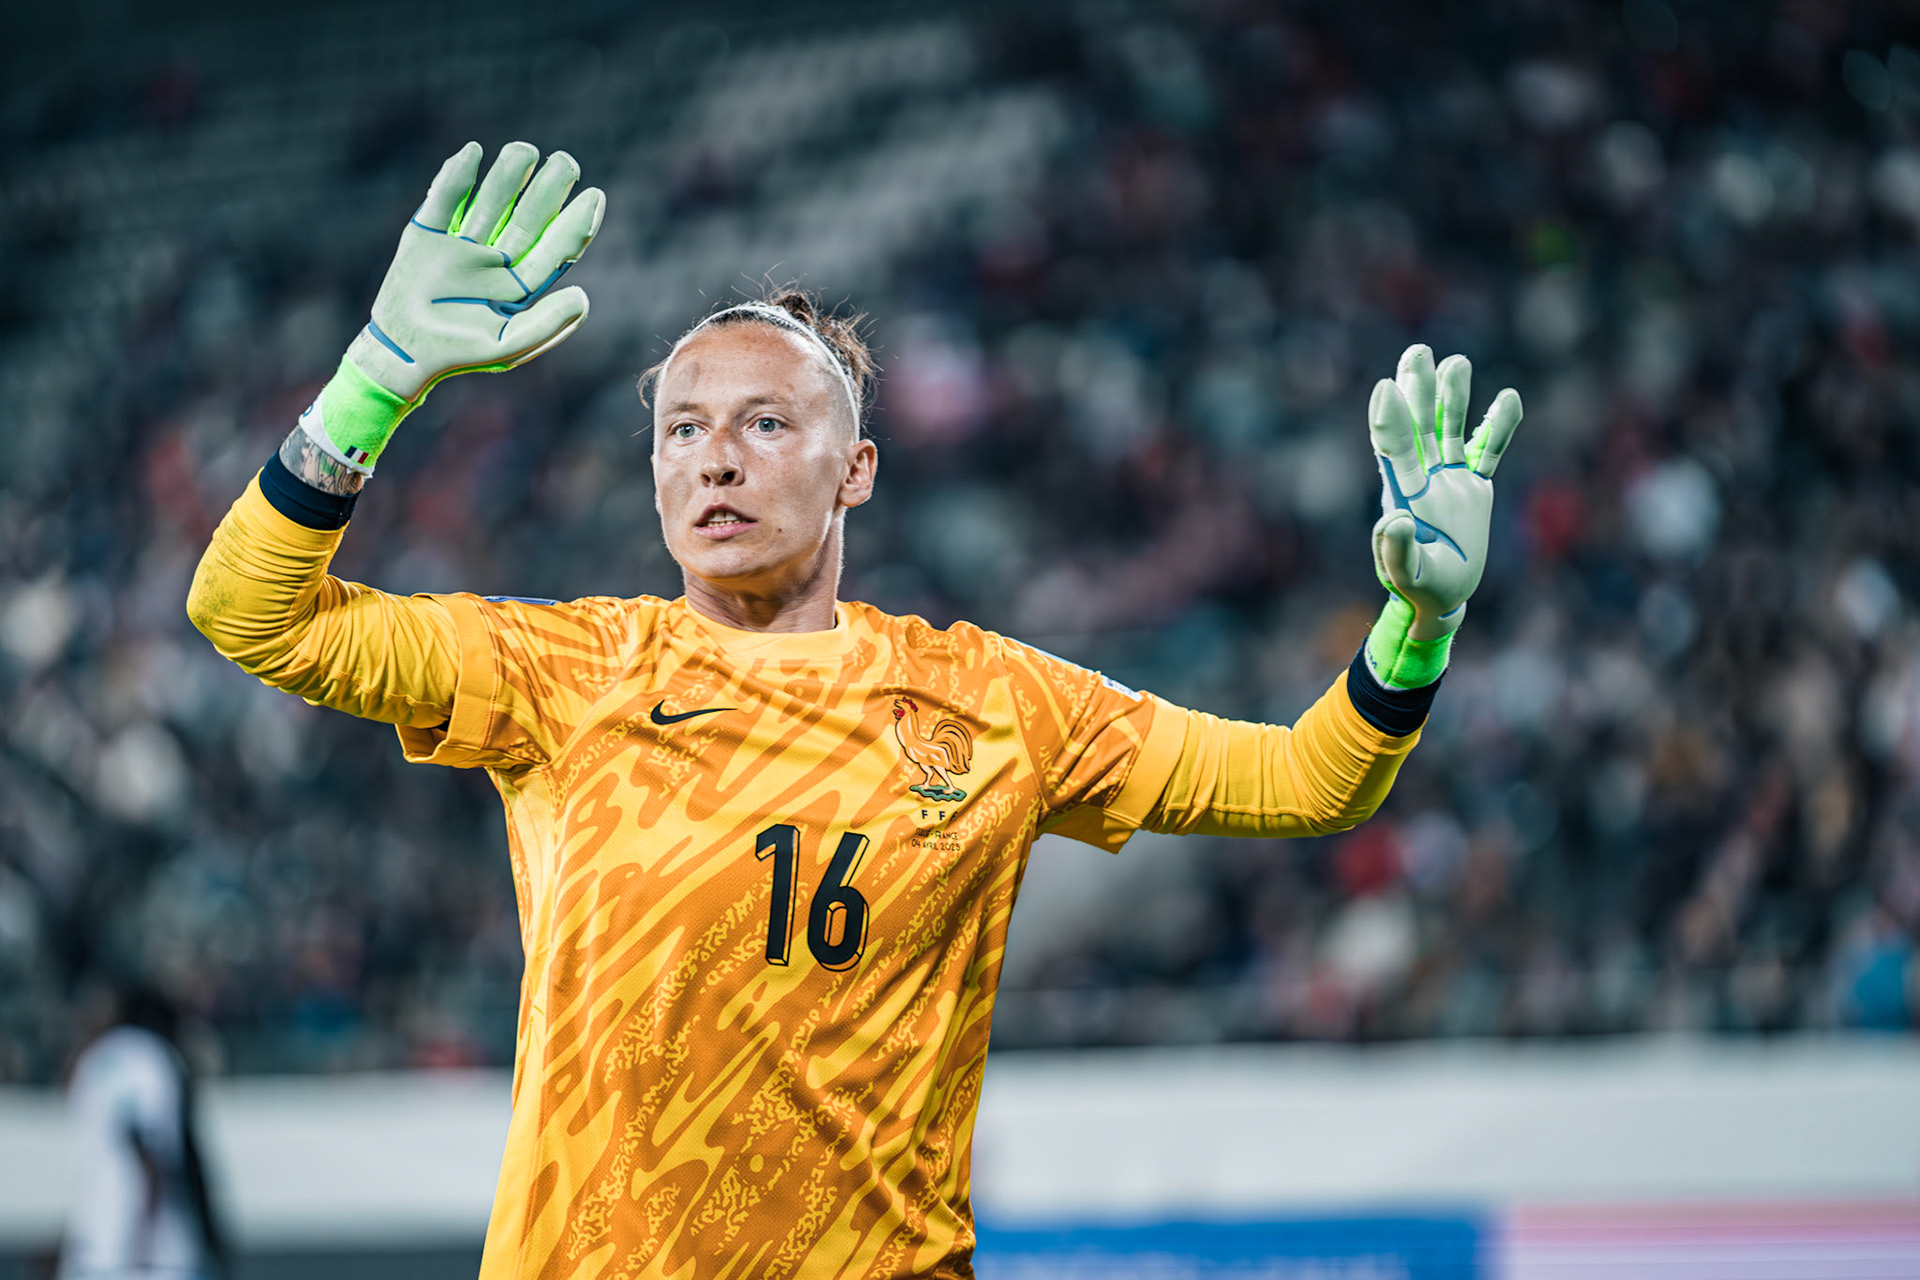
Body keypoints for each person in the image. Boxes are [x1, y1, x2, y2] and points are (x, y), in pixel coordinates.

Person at [187, 143, 1520, 1279]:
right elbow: (249, 610)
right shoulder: (563, 672)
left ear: (858, 470)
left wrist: (1418, 625)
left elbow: (1304, 779)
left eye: (767, 423)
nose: (714, 452)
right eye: (683, 428)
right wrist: (373, 378)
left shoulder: (994, 703)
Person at [59, 984, 226, 1280]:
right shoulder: (133, 1056)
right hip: (141, 1255)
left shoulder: (130, 1055)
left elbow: (144, 1149)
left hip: (134, 1256)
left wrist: (137, 1244)